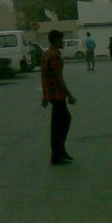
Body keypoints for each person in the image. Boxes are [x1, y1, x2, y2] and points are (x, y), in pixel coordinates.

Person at [40, 29, 76, 165]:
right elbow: (59, 78)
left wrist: (45, 95)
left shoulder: (45, 54)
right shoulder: (54, 56)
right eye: (61, 40)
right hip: (57, 94)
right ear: (55, 41)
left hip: (51, 94)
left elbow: (44, 77)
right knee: (63, 121)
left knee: (57, 124)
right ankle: (57, 152)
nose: (63, 42)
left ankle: (59, 152)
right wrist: (69, 95)